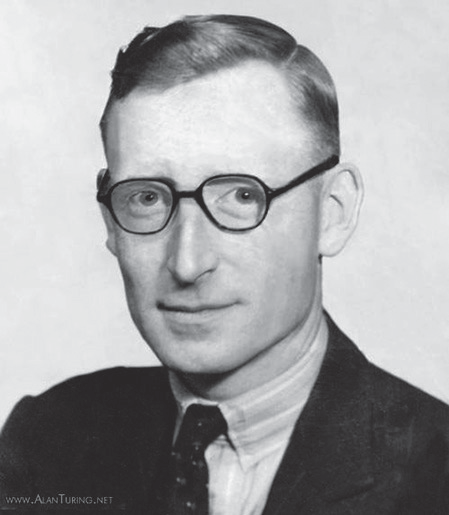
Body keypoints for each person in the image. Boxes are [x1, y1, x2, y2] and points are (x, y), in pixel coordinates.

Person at [1, 14, 448, 515]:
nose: (187, 263)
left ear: (333, 212)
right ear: (110, 222)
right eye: (147, 198)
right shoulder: (46, 439)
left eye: (241, 195)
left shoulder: (437, 477)